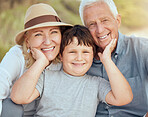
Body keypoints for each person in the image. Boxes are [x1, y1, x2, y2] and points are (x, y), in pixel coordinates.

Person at [10, 25, 133, 117]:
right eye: (72, 52)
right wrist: (41, 62)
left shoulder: (96, 84)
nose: (79, 58)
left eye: (85, 52)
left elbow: (124, 98)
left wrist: (106, 60)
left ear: (93, 55)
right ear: (61, 56)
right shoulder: (46, 76)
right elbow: (18, 97)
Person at [0, 3, 72, 117]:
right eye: (38, 34)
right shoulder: (17, 55)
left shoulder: (67, 60)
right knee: (12, 107)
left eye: (53, 32)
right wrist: (40, 62)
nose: (47, 41)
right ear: (27, 41)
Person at [79, 0, 148, 116]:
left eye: (104, 20)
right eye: (92, 24)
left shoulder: (141, 48)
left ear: (117, 21)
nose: (100, 30)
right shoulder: (80, 58)